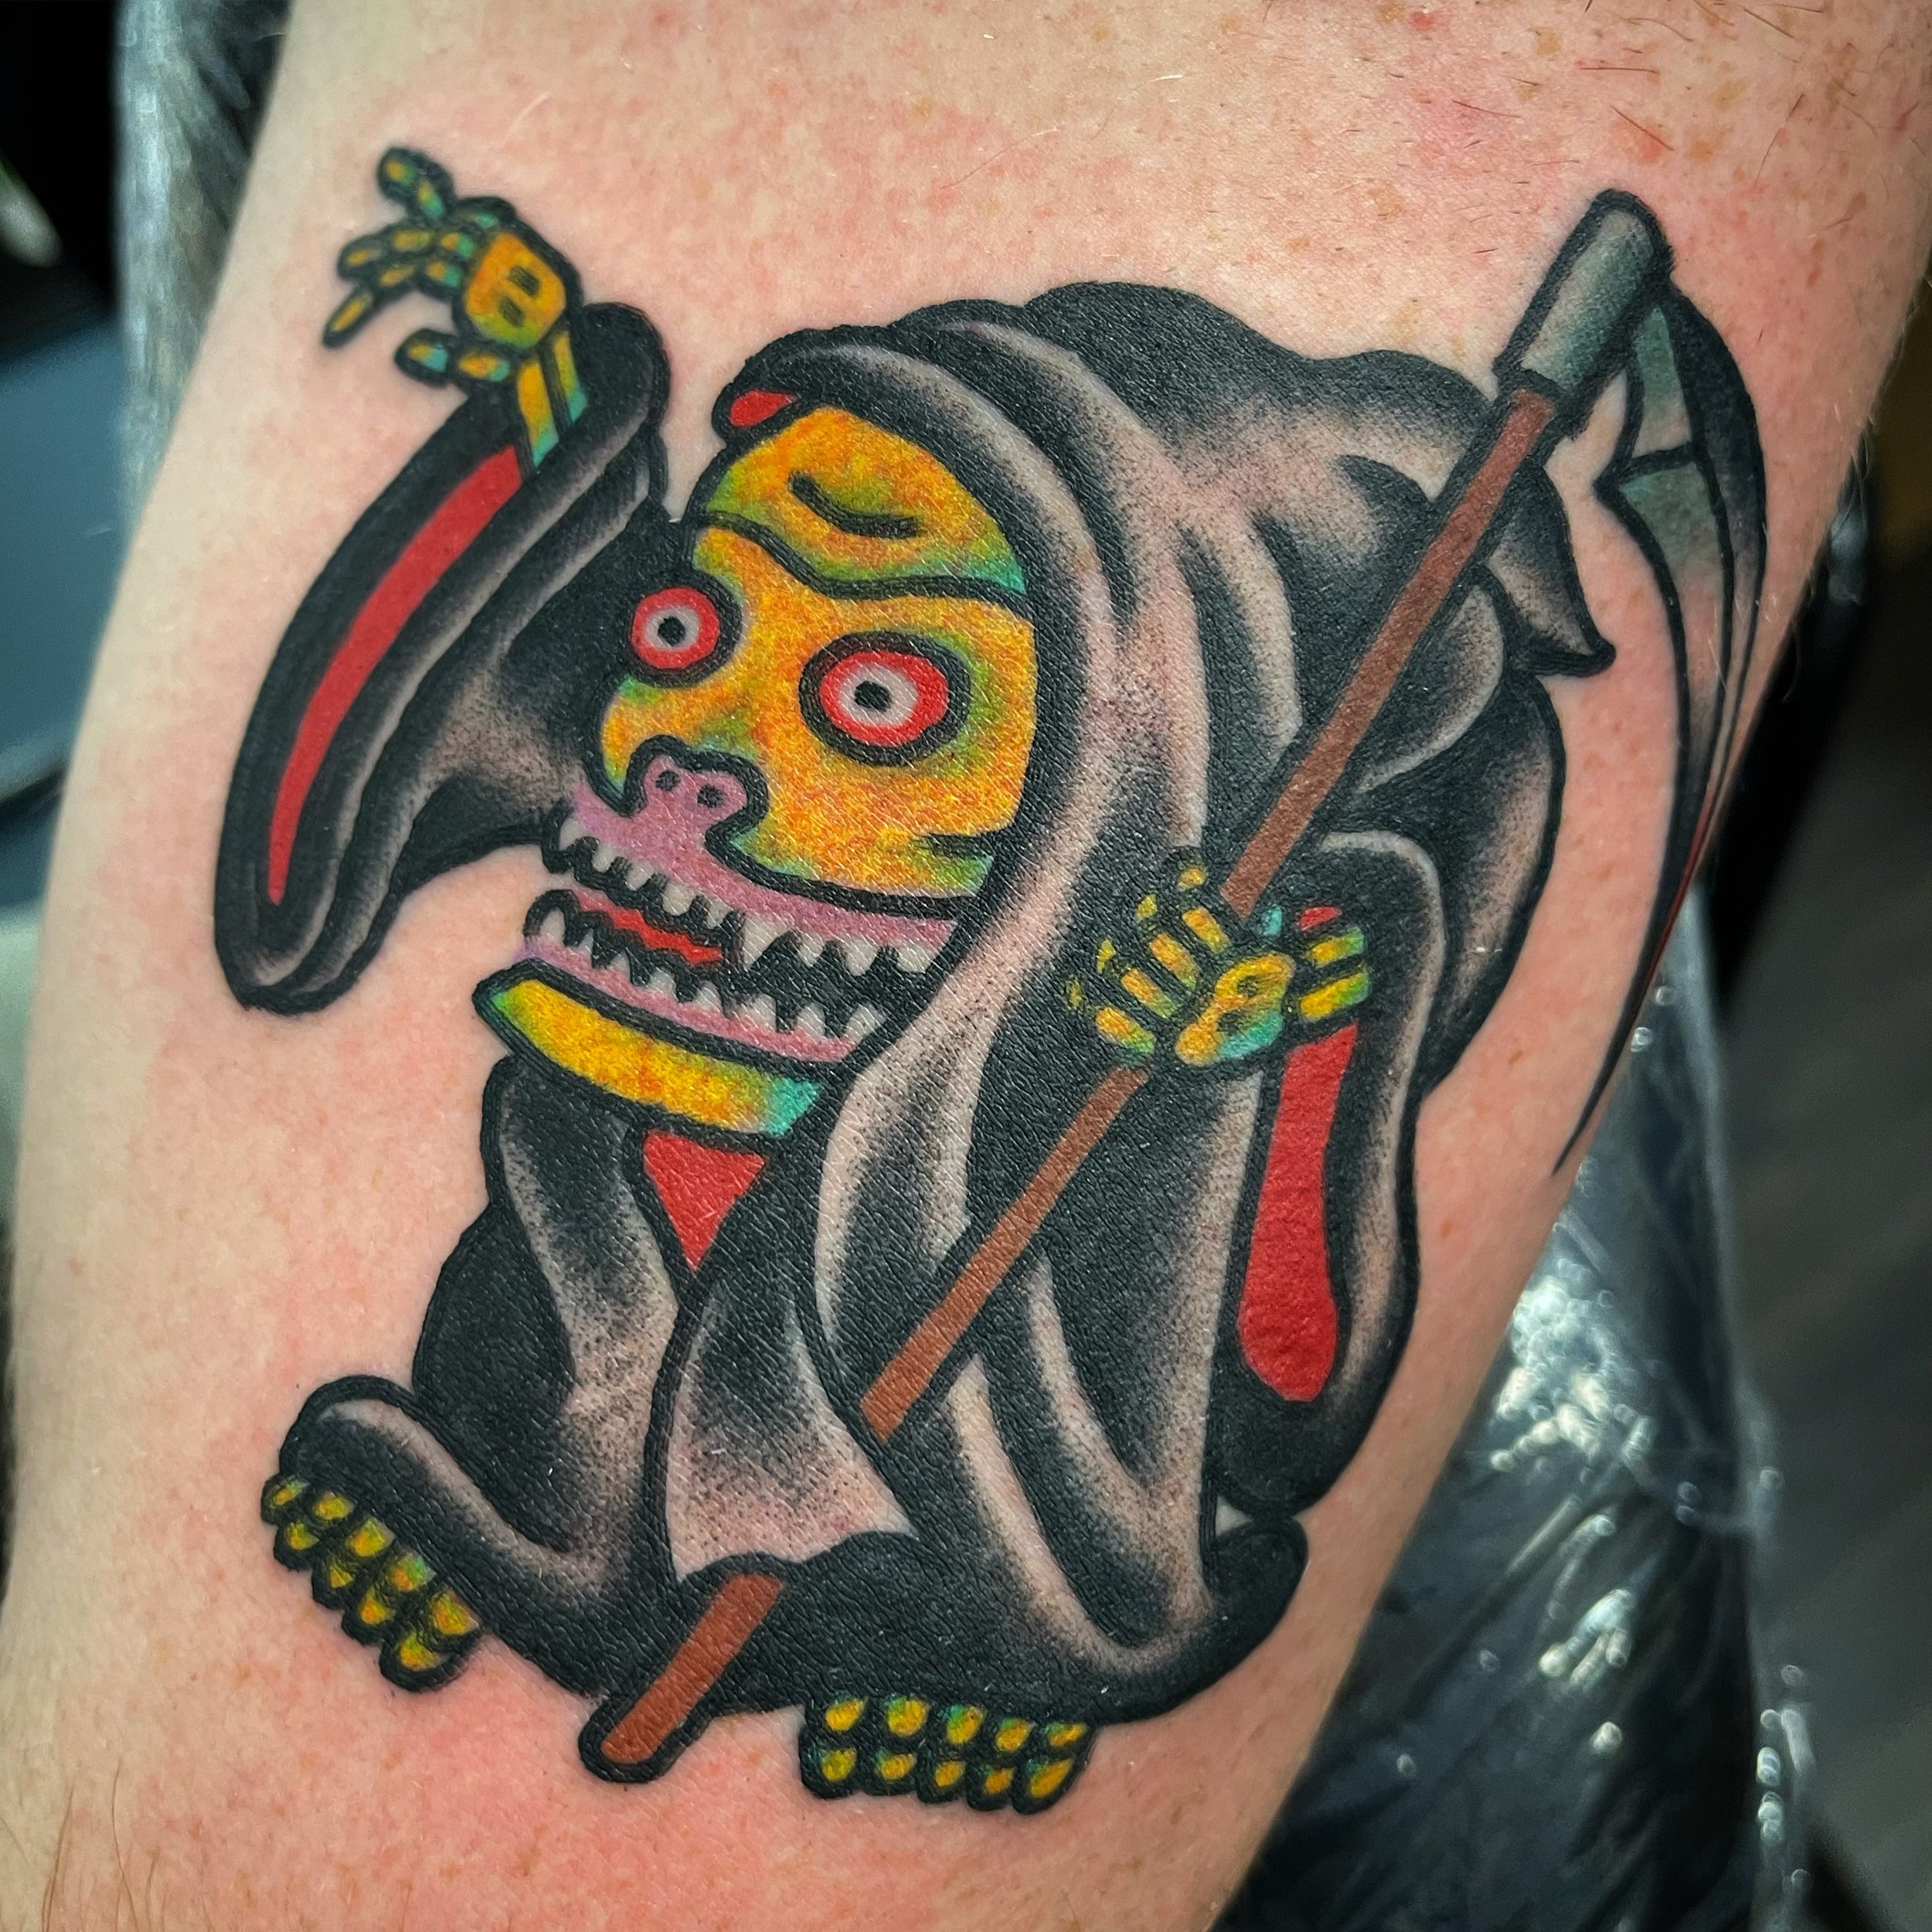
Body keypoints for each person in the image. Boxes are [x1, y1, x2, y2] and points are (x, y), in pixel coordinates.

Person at [3, 5, 1927, 1925]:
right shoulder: (634, 1074)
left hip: (1344, 1769)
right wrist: (547, 395)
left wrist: (1247, 1029)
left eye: (880, 694)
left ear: (1113, 779)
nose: (682, 767)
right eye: (683, 633)